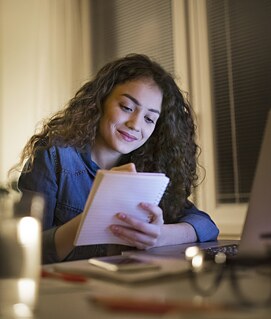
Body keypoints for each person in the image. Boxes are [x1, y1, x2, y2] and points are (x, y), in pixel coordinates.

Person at [14, 53, 219, 264]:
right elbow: (25, 250)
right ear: (100, 101)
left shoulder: (148, 169)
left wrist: (159, 235)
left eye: (149, 118)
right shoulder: (54, 156)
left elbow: (206, 225)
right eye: (126, 108)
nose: (135, 124)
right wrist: (96, 214)